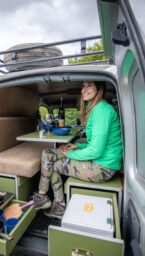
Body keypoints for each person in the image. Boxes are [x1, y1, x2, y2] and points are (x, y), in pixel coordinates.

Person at [33, 81, 123, 219]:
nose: (84, 90)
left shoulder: (102, 110)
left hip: (103, 168)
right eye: (83, 86)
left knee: (54, 166)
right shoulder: (97, 109)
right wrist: (78, 146)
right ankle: (43, 197)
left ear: (99, 88)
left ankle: (58, 206)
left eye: (89, 86)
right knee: (47, 153)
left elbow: (96, 151)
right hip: (99, 161)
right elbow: (96, 144)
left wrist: (70, 153)